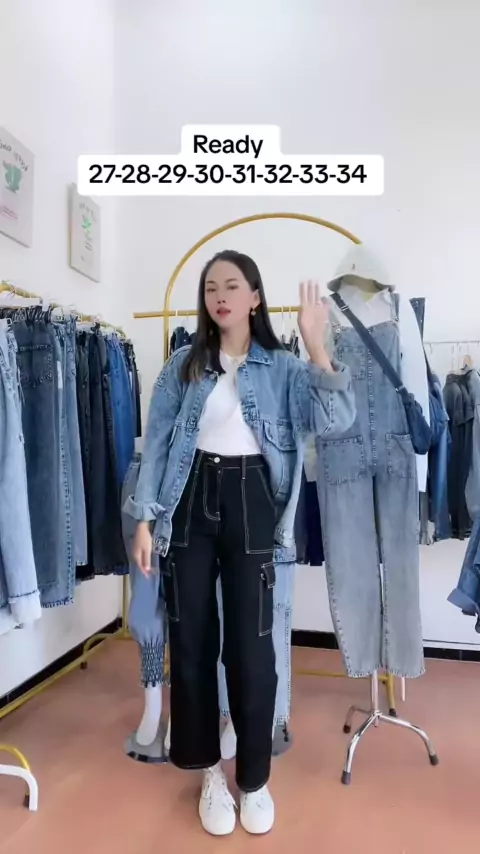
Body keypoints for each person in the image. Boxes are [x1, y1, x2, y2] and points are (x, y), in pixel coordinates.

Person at [126, 250, 355, 836]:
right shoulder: (183, 365)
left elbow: (336, 420)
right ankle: (208, 773)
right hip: (190, 504)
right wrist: (146, 520)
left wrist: (316, 345)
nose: (220, 296)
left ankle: (253, 779)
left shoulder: (283, 368)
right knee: (193, 643)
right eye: (211, 288)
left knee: (253, 651)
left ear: (255, 297)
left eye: (232, 286)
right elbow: (157, 444)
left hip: (254, 506)